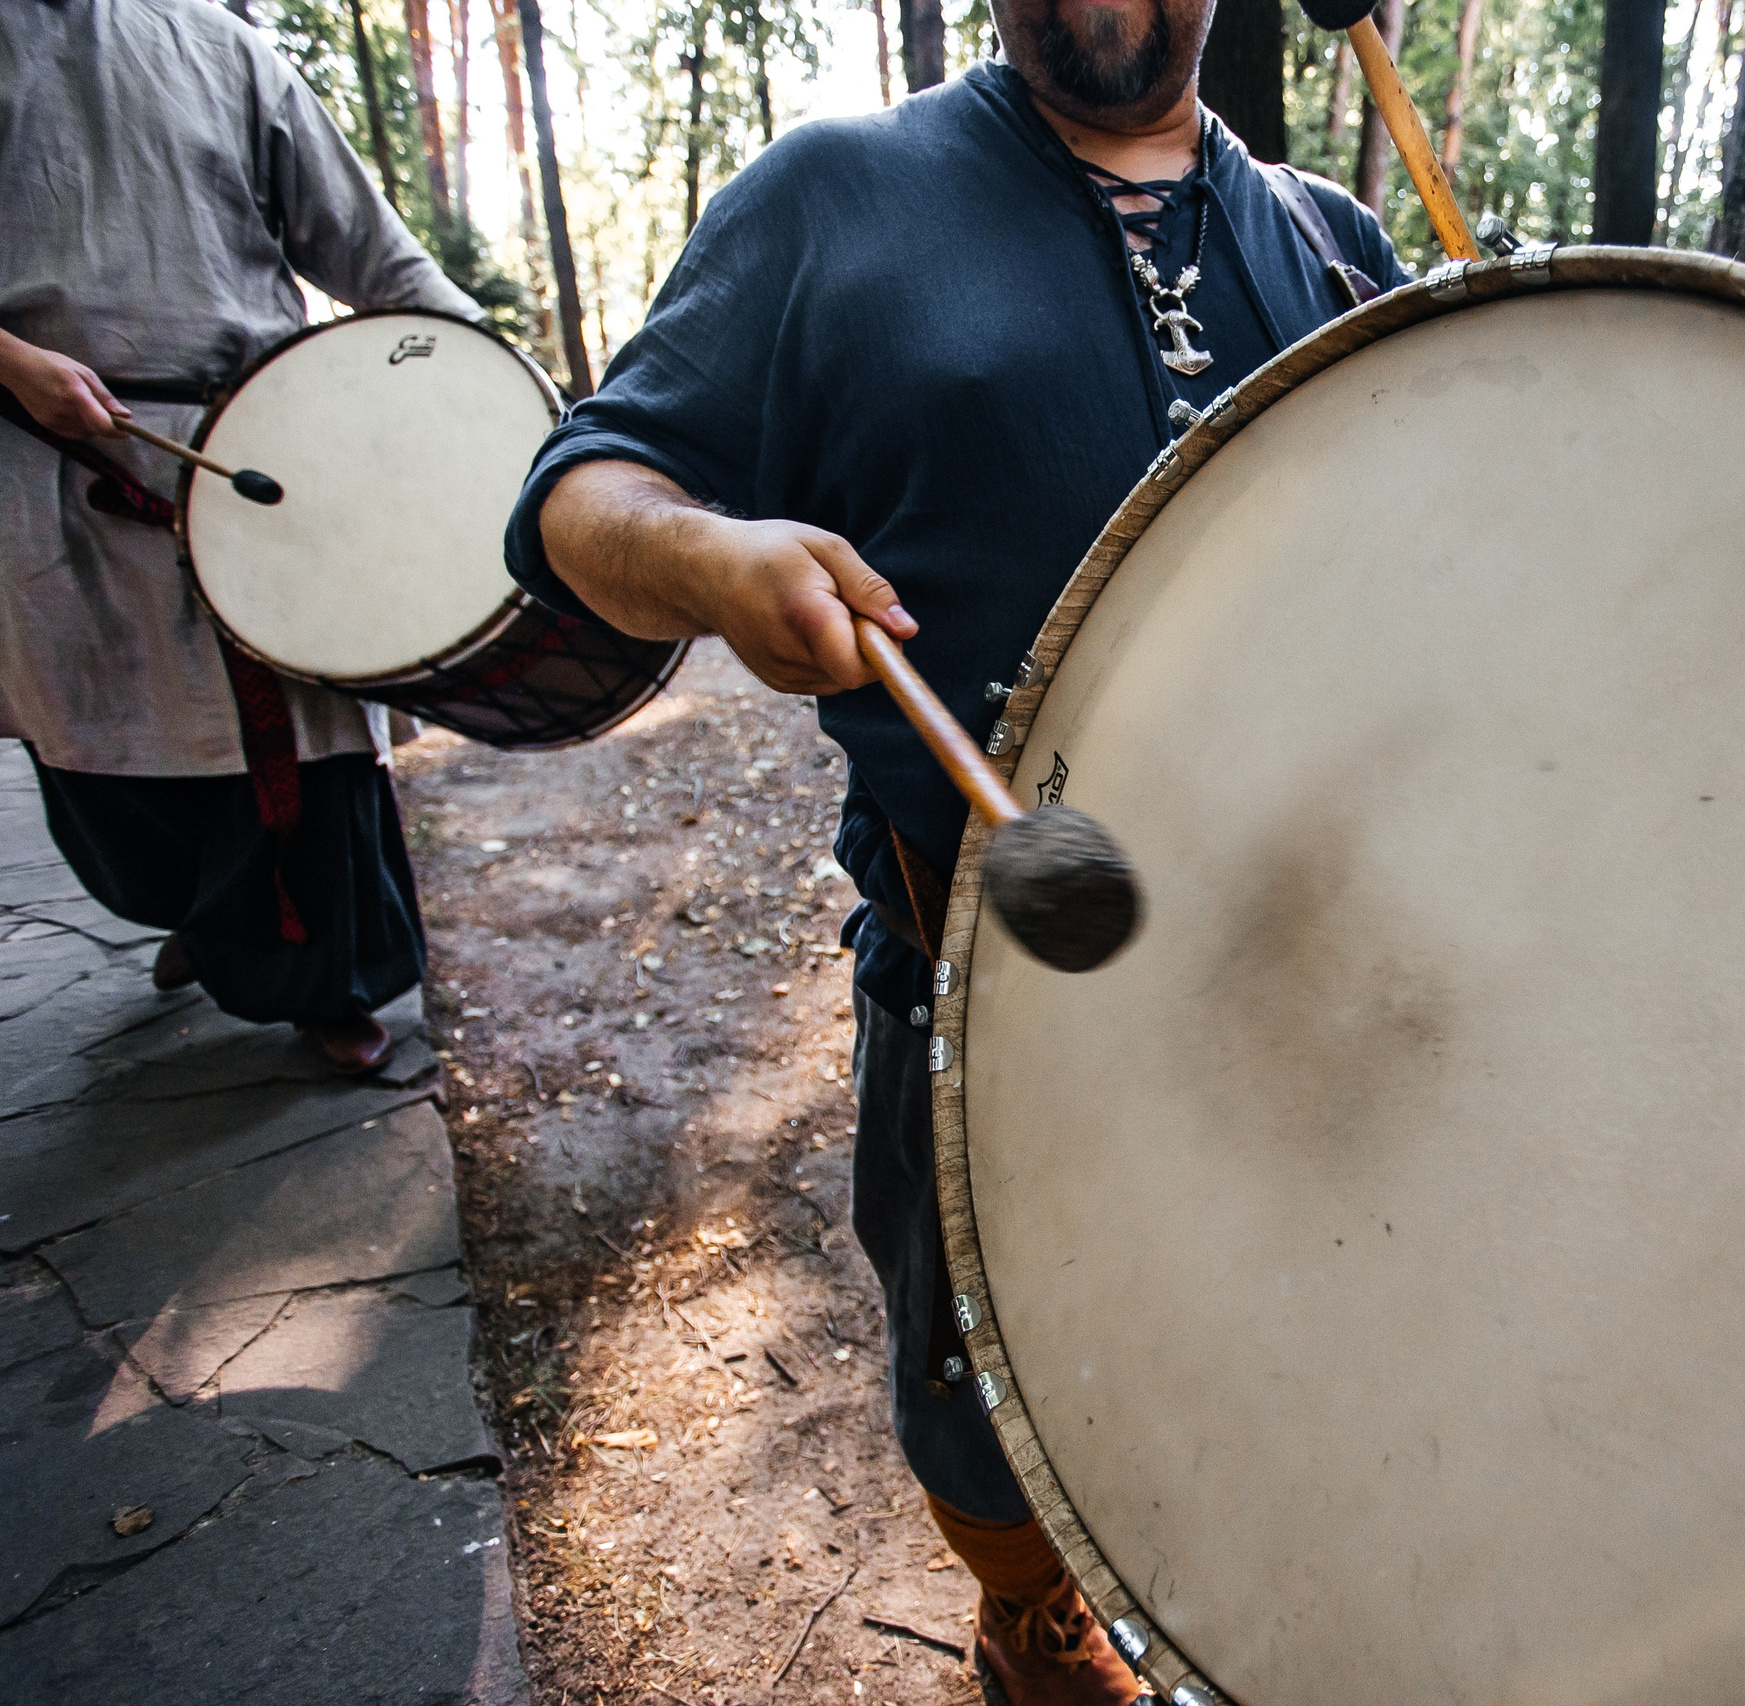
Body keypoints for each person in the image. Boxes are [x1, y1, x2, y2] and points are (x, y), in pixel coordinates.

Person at [503, 0, 1405, 1697]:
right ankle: (1033, 1617)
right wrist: (712, 559)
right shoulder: (834, 195)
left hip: (1312, 963)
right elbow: (581, 495)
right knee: (983, 1381)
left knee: (1319, 1343)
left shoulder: (1330, 243)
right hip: (997, 971)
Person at [0, 0, 479, 1075]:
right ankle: (211, 924)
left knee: (309, 746)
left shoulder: (219, 46)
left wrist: (498, 382)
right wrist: (14, 364)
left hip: (260, 450)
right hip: (47, 464)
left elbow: (375, 256)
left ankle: (329, 985)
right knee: (108, 750)